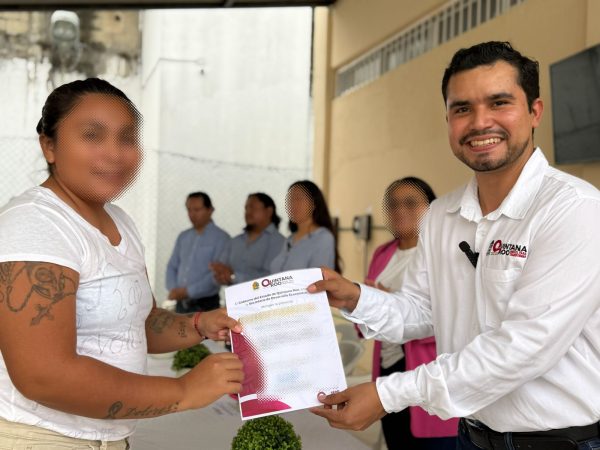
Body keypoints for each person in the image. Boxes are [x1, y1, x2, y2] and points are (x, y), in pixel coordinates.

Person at [309, 41, 600, 450]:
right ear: (448, 119)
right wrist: (355, 297)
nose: (480, 122)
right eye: (462, 108)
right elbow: (422, 310)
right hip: (471, 436)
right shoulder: (442, 215)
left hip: (559, 442)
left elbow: (524, 347)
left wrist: (388, 395)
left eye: (499, 103)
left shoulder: (573, 209)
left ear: (535, 112)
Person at [0, 78, 243, 449]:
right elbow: (43, 376)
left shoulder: (119, 220)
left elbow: (139, 323)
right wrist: (183, 391)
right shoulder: (36, 223)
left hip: (110, 439)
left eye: (127, 138)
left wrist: (198, 324)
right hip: (42, 439)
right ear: (49, 146)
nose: (115, 153)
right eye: (92, 135)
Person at [365, 177, 457, 450]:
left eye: (410, 203)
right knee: (397, 439)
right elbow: (369, 317)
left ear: (431, 208)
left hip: (428, 369)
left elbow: (454, 318)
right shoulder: (382, 253)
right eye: (393, 204)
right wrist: (360, 303)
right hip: (387, 366)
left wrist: (393, 306)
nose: (400, 210)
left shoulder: (447, 253)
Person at [166, 192, 230, 313]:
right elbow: (172, 266)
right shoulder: (183, 237)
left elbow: (216, 275)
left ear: (210, 210)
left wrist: (188, 292)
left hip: (206, 304)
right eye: (189, 210)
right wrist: (173, 289)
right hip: (181, 303)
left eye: (197, 210)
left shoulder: (222, 238)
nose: (192, 214)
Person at [210, 192, 285, 285]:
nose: (248, 212)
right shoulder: (235, 241)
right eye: (246, 208)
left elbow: (271, 279)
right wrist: (220, 275)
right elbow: (219, 270)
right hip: (232, 294)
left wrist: (234, 277)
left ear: (269, 211)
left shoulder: (279, 242)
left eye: (253, 208)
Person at [270, 180, 341, 273]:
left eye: (299, 199)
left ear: (314, 203)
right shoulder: (290, 240)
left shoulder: (323, 238)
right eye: (290, 199)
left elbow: (319, 278)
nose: (293, 204)